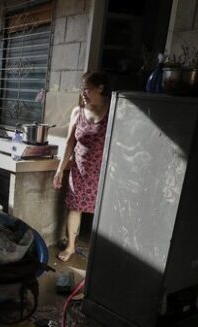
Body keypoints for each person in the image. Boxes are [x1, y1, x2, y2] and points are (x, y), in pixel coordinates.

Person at [53, 72, 111, 262]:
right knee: (75, 208)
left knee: (102, 212)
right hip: (80, 169)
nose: (83, 93)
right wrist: (60, 169)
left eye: (86, 88)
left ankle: (99, 250)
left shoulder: (113, 110)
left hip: (103, 172)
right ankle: (71, 247)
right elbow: (70, 142)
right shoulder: (77, 112)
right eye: (82, 88)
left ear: (100, 88)